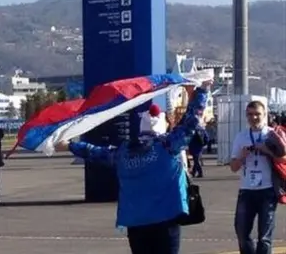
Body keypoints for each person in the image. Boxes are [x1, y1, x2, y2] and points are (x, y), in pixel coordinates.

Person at [56, 80, 212, 254]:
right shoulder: (168, 146)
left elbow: (95, 152)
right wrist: (202, 92)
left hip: (136, 222)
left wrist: (69, 145)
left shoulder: (124, 152)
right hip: (165, 218)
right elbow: (191, 122)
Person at [230, 100, 284, 254]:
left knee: (264, 236)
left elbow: (284, 159)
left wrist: (268, 151)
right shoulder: (241, 137)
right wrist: (242, 157)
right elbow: (233, 167)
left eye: (257, 114)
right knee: (242, 231)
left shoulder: (273, 134)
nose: (254, 117)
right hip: (247, 190)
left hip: (267, 190)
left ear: (265, 114)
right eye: (250, 114)